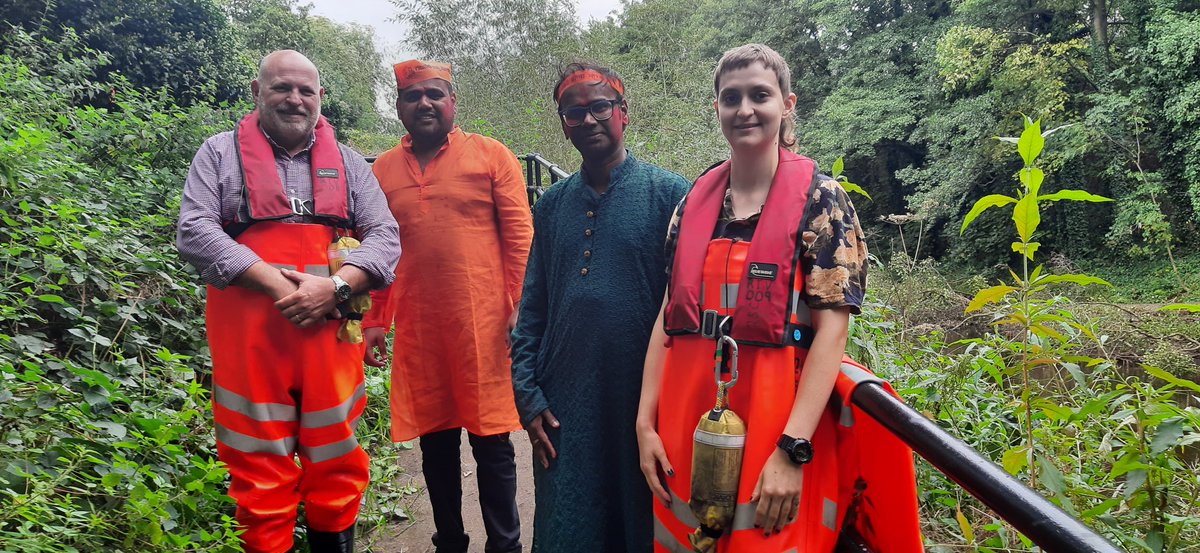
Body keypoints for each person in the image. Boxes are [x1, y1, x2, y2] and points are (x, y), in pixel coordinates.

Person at [637, 44, 923, 552]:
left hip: (777, 424)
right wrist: (645, 424)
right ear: (718, 109)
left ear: (787, 104)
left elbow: (832, 330)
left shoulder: (822, 201)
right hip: (685, 422)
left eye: (759, 95)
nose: (744, 109)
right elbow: (668, 317)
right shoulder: (691, 204)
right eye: (731, 98)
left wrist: (792, 450)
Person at [176, 50, 401, 553]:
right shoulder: (218, 154)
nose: (294, 99)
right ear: (257, 92)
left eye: (306, 90)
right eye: (282, 88)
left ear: (321, 98)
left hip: (330, 340)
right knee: (258, 471)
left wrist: (336, 287)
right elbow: (193, 231)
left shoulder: (348, 165)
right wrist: (278, 286)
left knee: (337, 459)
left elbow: (386, 235)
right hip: (250, 345)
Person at [509, 63, 691, 552]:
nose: (587, 120)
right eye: (574, 112)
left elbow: (687, 308)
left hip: (640, 399)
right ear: (563, 123)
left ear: (623, 112)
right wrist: (527, 397)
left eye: (599, 107)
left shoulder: (671, 196)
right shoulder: (549, 206)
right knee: (570, 522)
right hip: (564, 405)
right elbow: (532, 309)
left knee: (638, 519)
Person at [361, 60, 532, 553]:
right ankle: (450, 541)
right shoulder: (383, 171)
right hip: (420, 328)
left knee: (492, 441)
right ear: (399, 108)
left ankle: (506, 544)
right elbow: (379, 248)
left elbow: (520, 236)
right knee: (435, 443)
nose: (425, 103)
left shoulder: (491, 155)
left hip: (484, 324)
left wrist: (522, 307)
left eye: (435, 94)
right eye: (413, 97)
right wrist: (375, 320)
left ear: (453, 102)